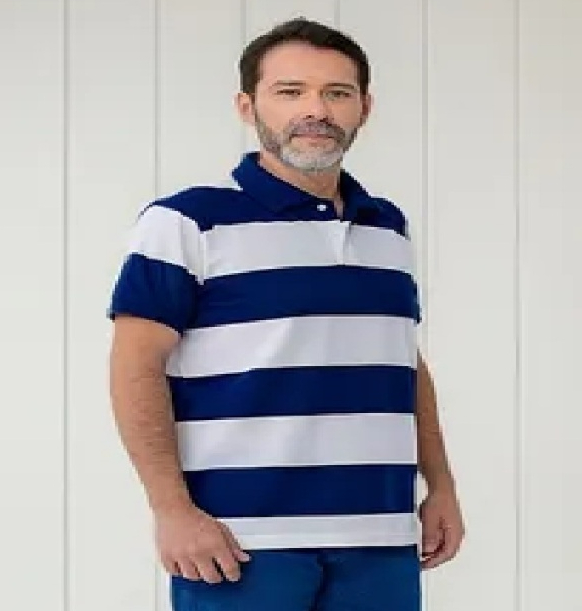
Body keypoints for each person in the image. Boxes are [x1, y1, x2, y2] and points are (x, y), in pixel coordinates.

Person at [108, 17, 464, 611]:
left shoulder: (387, 228)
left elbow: (401, 361)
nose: (316, 110)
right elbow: (134, 367)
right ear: (248, 106)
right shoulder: (186, 222)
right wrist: (171, 511)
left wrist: (441, 486)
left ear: (365, 108)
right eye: (290, 91)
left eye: (337, 92)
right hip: (239, 543)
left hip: (380, 536)